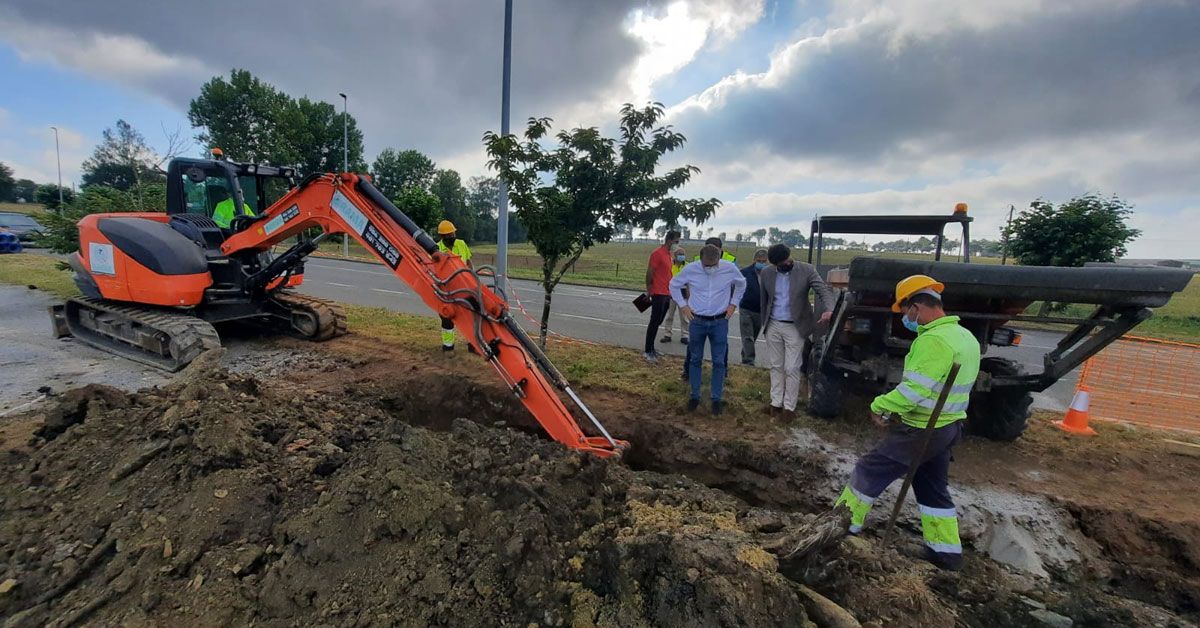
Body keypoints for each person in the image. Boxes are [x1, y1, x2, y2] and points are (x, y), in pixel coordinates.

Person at [833, 275, 981, 571]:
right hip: (948, 427)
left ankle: (841, 527)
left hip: (922, 428)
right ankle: (946, 553)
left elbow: (914, 391)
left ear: (917, 307)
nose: (904, 318)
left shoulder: (934, 341)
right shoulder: (964, 336)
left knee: (868, 469)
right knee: (931, 487)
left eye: (904, 311)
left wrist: (880, 405)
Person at [759, 244, 836, 418]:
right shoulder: (767, 273)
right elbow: (764, 300)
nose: (782, 265)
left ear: (789, 257)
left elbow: (823, 291)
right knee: (776, 365)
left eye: (784, 261)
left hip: (796, 326)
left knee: (792, 367)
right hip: (773, 325)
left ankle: (789, 408)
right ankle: (775, 403)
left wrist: (829, 309)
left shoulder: (807, 270)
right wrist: (765, 324)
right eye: (778, 264)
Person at [669, 244, 746, 415]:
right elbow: (674, 285)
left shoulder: (729, 268)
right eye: (707, 265)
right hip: (697, 321)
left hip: (720, 321)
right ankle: (695, 396)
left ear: (719, 259)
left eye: (713, 264)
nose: (710, 268)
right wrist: (683, 306)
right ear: (701, 259)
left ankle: (716, 399)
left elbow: (741, 284)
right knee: (695, 359)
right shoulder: (691, 269)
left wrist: (733, 304)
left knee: (719, 362)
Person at [681, 237, 734, 381]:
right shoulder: (698, 260)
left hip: (719, 311)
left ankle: (723, 371)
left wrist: (730, 306)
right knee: (694, 344)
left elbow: (734, 285)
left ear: (720, 249)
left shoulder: (730, 262)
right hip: (699, 310)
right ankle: (688, 371)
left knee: (722, 345)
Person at [643, 230, 681, 363]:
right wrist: (649, 289)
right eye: (676, 241)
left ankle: (652, 348)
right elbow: (650, 272)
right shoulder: (657, 254)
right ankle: (648, 350)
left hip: (667, 293)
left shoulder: (668, 255)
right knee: (654, 321)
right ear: (669, 240)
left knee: (659, 321)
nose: (677, 244)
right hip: (658, 293)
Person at [436, 220, 472, 351]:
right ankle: (448, 346)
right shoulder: (436, 249)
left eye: (452, 234)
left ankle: (472, 344)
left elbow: (468, 261)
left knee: (470, 316)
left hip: (464, 287)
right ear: (442, 236)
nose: (452, 236)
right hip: (446, 290)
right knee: (447, 317)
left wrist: (473, 278)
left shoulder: (461, 244)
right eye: (448, 235)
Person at [738, 249, 769, 365]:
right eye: (759, 260)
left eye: (763, 261)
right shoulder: (745, 272)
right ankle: (749, 360)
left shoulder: (770, 273)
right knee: (748, 336)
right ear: (754, 260)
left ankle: (745, 354)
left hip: (760, 310)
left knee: (753, 335)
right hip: (746, 308)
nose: (761, 262)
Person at [660, 245, 689, 344]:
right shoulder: (670, 265)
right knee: (669, 315)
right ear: (675, 255)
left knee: (684, 317)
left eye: (683, 254)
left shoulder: (687, 266)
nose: (682, 256)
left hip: (683, 293)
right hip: (671, 293)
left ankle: (685, 335)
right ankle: (667, 334)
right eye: (679, 254)